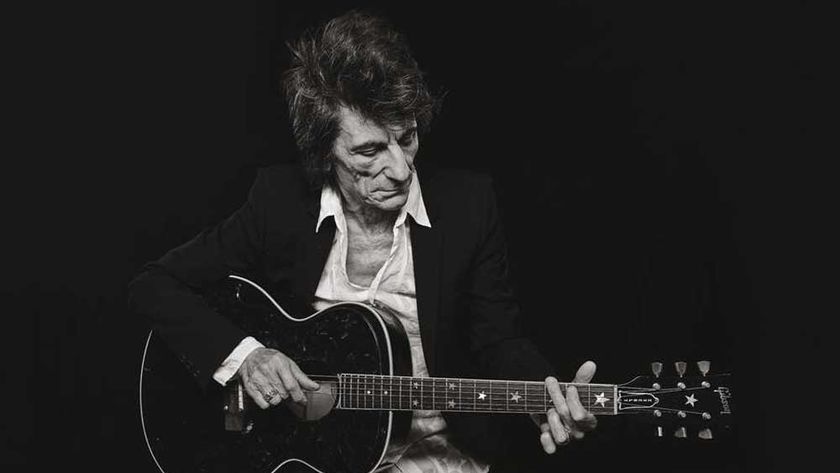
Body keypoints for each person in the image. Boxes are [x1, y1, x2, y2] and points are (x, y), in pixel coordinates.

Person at [129, 10, 597, 472]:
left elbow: (499, 338)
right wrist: (248, 357)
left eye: (407, 138)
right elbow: (153, 285)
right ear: (323, 152)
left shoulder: (467, 206)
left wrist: (544, 397)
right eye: (370, 151)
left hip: (431, 453)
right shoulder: (279, 202)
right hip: (310, 457)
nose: (401, 169)